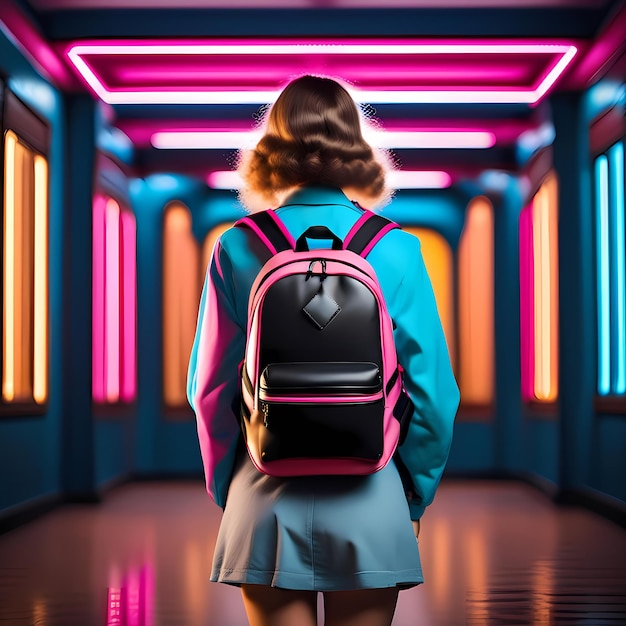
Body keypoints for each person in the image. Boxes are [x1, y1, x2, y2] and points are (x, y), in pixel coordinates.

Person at [187, 74, 460, 626]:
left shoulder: (236, 245)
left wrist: (227, 485)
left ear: (274, 146)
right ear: (353, 146)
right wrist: (413, 494)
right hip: (371, 494)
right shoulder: (399, 249)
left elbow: (210, 388)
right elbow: (434, 394)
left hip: (265, 493)